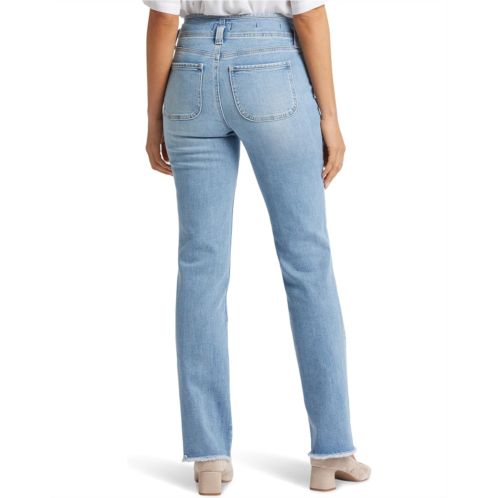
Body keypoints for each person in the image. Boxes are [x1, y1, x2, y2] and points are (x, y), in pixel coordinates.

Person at [144, 1, 371, 494]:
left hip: (189, 73)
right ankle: (332, 452)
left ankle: (208, 457)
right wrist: (331, 117)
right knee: (307, 261)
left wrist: (153, 118)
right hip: (271, 68)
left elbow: (162, 18)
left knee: (200, 266)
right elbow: (308, 15)